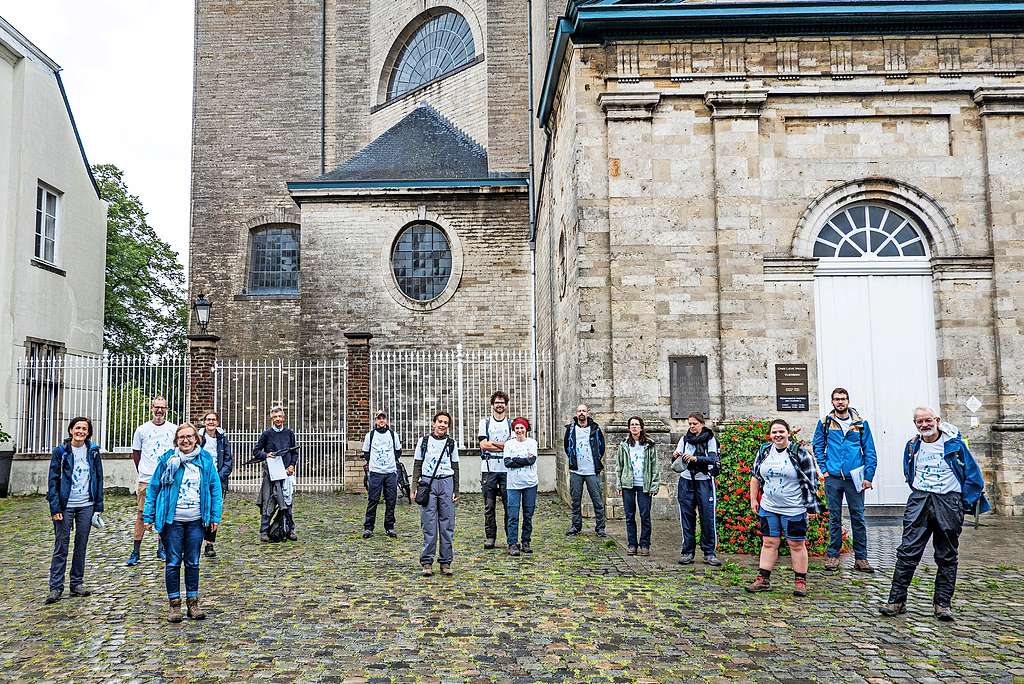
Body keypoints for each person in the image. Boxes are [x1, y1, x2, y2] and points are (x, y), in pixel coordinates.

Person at [880, 407, 990, 622]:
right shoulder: (913, 445)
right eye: (919, 422)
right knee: (908, 551)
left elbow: (974, 477)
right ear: (915, 424)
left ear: (937, 420)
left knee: (947, 554)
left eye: (928, 420)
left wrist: (961, 502)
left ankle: (942, 604)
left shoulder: (954, 445)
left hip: (948, 500)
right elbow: (908, 471)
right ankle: (896, 600)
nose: (924, 425)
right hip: (920, 499)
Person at [143, 423, 223, 622]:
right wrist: (148, 515)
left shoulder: (205, 460)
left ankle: (193, 603)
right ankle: (174, 605)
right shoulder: (167, 460)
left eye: (189, 436)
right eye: (181, 437)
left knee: (193, 562)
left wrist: (215, 516)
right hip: (173, 521)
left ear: (197, 439)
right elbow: (153, 488)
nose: (185, 440)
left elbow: (215, 489)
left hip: (196, 520)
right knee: (172, 562)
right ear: (176, 440)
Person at [746, 419, 823, 597]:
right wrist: (753, 499)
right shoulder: (764, 451)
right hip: (769, 506)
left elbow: (812, 482)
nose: (778, 435)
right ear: (770, 434)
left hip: (794, 507)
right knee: (769, 542)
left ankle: (800, 581)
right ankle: (763, 579)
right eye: (774, 432)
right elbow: (756, 476)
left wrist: (811, 508)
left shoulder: (800, 453)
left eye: (781, 431)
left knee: (796, 544)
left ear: (788, 433)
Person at [812, 387, 878, 573]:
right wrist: (824, 471)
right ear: (832, 402)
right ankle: (833, 556)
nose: (840, 402)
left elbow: (870, 452)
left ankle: (861, 558)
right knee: (834, 518)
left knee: (858, 518)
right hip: (833, 478)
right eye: (836, 399)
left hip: (855, 479)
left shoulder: (860, 424)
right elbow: (818, 447)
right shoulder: (825, 422)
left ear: (848, 401)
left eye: (843, 399)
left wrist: (868, 477)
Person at [45, 417, 104, 604]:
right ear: (71, 430)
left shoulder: (93, 451)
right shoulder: (61, 452)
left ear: (88, 432)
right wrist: (55, 507)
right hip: (65, 505)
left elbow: (99, 479)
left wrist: (98, 507)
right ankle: (56, 587)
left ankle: (76, 583)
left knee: (81, 545)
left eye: (84, 428)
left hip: (86, 504)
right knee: (61, 546)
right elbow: (53, 481)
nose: (81, 431)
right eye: (77, 428)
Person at [127, 396, 178, 566]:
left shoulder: (173, 429)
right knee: (141, 514)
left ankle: (161, 548)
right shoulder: (141, 430)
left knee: (164, 513)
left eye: (162, 408)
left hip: (167, 479)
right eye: (157, 407)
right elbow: (136, 453)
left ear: (167, 409)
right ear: (151, 408)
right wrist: (144, 471)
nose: (159, 411)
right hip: (147, 478)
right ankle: (136, 551)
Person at [671, 412, 722, 567]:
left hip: (704, 481)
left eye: (695, 424)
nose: (692, 426)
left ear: (702, 424)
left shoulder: (710, 438)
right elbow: (676, 460)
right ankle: (687, 552)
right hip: (686, 481)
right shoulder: (684, 439)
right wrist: (676, 455)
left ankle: (709, 553)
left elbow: (713, 458)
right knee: (687, 518)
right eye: (690, 424)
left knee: (707, 517)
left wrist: (696, 459)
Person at [414, 411, 459, 577]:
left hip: (446, 481)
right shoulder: (424, 441)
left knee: (447, 523)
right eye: (439, 421)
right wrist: (414, 487)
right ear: (433, 423)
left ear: (448, 426)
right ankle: (427, 561)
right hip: (428, 482)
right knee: (429, 522)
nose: (442, 425)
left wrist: (456, 489)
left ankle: (445, 562)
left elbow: (455, 467)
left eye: (446, 422)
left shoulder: (451, 444)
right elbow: (417, 464)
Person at [614, 416, 660, 556]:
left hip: (643, 484)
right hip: (628, 483)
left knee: (645, 515)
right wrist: (619, 484)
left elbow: (655, 466)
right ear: (629, 428)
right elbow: (619, 466)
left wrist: (654, 485)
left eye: (637, 424)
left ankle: (644, 544)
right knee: (629, 516)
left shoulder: (649, 445)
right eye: (632, 425)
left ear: (641, 427)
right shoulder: (624, 445)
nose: (634, 427)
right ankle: (632, 544)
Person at [253, 406, 299, 542]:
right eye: (275, 417)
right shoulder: (267, 434)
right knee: (269, 502)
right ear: (271, 419)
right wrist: (267, 454)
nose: (278, 419)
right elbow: (256, 451)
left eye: (280, 416)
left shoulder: (289, 433)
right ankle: (264, 531)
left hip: (286, 472)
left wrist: (292, 465)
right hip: (272, 473)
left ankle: (289, 529)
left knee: (287, 502)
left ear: (283, 418)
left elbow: (294, 452)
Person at [564, 403, 607, 538]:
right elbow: (567, 447)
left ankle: (600, 528)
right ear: (576, 414)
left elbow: (601, 447)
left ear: (588, 413)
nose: (581, 413)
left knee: (597, 500)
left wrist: (594, 459)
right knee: (575, 501)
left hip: (592, 471)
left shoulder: (595, 429)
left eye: (583, 411)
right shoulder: (571, 429)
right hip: (576, 470)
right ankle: (576, 526)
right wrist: (573, 460)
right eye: (579, 411)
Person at [478, 390, 511, 550]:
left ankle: (510, 537)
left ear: (506, 405)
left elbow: (512, 446)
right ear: (492, 405)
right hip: (489, 469)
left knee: (508, 505)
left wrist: (494, 444)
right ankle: (490, 537)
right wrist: (503, 446)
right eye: (497, 402)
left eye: (502, 403)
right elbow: (483, 444)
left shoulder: (511, 424)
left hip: (507, 470)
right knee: (489, 506)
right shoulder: (485, 422)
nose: (499, 405)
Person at [362, 409, 402, 539]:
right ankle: (369, 527)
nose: (381, 420)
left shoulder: (393, 435)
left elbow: (398, 451)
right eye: (379, 418)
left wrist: (390, 463)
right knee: (373, 500)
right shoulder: (370, 435)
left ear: (386, 420)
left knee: (391, 500)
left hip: (390, 472)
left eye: (383, 418)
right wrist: (375, 464)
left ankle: (389, 526)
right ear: (376, 420)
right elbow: (366, 453)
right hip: (376, 472)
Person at [199, 411, 233, 558]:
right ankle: (195, 541)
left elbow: (228, 460)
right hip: (200, 478)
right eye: (208, 420)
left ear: (217, 422)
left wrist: (218, 477)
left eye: (213, 420)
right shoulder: (199, 438)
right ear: (204, 422)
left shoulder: (222, 439)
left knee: (214, 511)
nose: (211, 422)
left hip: (217, 479)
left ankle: (209, 544)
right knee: (199, 510)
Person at [504, 416, 539, 556]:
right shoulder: (509, 444)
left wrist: (516, 460)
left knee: (528, 514)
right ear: (514, 430)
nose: (519, 430)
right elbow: (507, 462)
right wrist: (523, 460)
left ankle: (526, 541)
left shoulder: (532, 443)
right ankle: (512, 543)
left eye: (521, 428)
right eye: (517, 428)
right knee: (512, 515)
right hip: (513, 485)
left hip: (530, 483)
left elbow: (531, 460)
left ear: (526, 429)